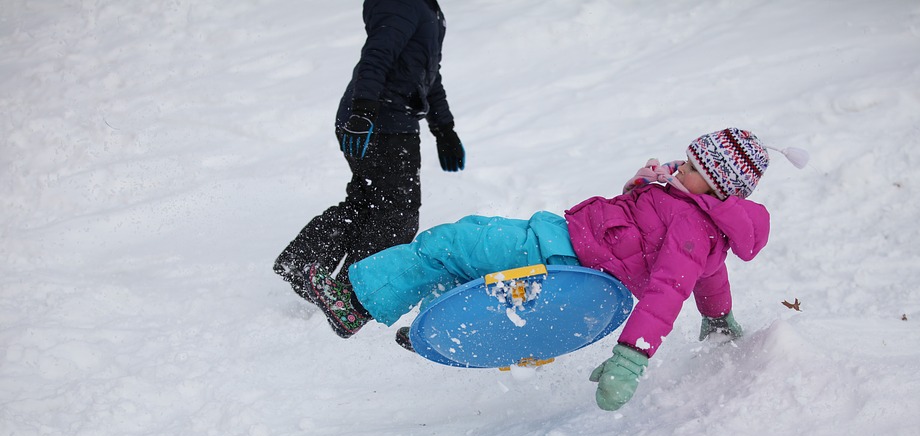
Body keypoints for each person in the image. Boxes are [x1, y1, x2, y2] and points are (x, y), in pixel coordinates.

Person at [300, 128, 807, 411]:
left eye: (696, 169)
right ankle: (438, 323)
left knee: (451, 242)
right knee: (468, 267)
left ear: (720, 188)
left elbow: (668, 293)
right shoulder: (701, 222)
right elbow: (709, 277)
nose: (682, 168)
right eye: (689, 160)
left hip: (555, 250)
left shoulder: (692, 226)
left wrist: (629, 363)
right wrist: (718, 317)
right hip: (569, 256)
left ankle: (353, 302)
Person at [273, 0, 465, 299]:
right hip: (379, 120)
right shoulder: (403, 3)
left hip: (386, 118)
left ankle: (306, 262)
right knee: (395, 213)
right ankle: (354, 293)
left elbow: (426, 73)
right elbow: (377, 55)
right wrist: (363, 111)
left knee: (372, 202)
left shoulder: (426, 9)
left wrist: (443, 128)